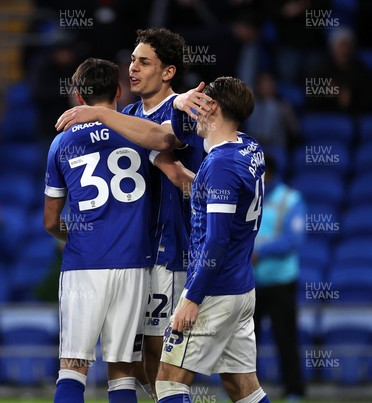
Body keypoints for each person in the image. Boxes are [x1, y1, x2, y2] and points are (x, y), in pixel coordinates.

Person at [56, 28, 204, 400]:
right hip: (134, 257)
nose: (132, 68)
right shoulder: (131, 115)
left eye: (143, 62)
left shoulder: (180, 110)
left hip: (170, 253)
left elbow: (165, 142)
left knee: (159, 359)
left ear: (168, 72)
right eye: (132, 61)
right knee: (130, 362)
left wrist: (95, 113)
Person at [44, 58, 154, 403]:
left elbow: (49, 221)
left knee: (73, 366)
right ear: (119, 91)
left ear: (77, 96)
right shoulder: (140, 134)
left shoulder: (61, 144)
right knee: (122, 369)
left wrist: (77, 234)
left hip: (84, 263)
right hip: (135, 263)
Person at [157, 77, 269, 403]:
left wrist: (193, 298)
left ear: (213, 107)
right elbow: (185, 135)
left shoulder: (221, 165)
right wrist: (179, 104)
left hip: (215, 291)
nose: (195, 112)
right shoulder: (250, 147)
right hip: (241, 288)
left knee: (169, 382)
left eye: (200, 104)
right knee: (242, 387)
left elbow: (217, 240)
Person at [253, 155, 306, 401]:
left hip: (281, 282)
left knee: (285, 338)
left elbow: (293, 239)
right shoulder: (250, 196)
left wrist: (259, 252)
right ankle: (242, 389)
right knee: (245, 341)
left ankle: (294, 390)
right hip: (251, 281)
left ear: (268, 173)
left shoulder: (291, 199)